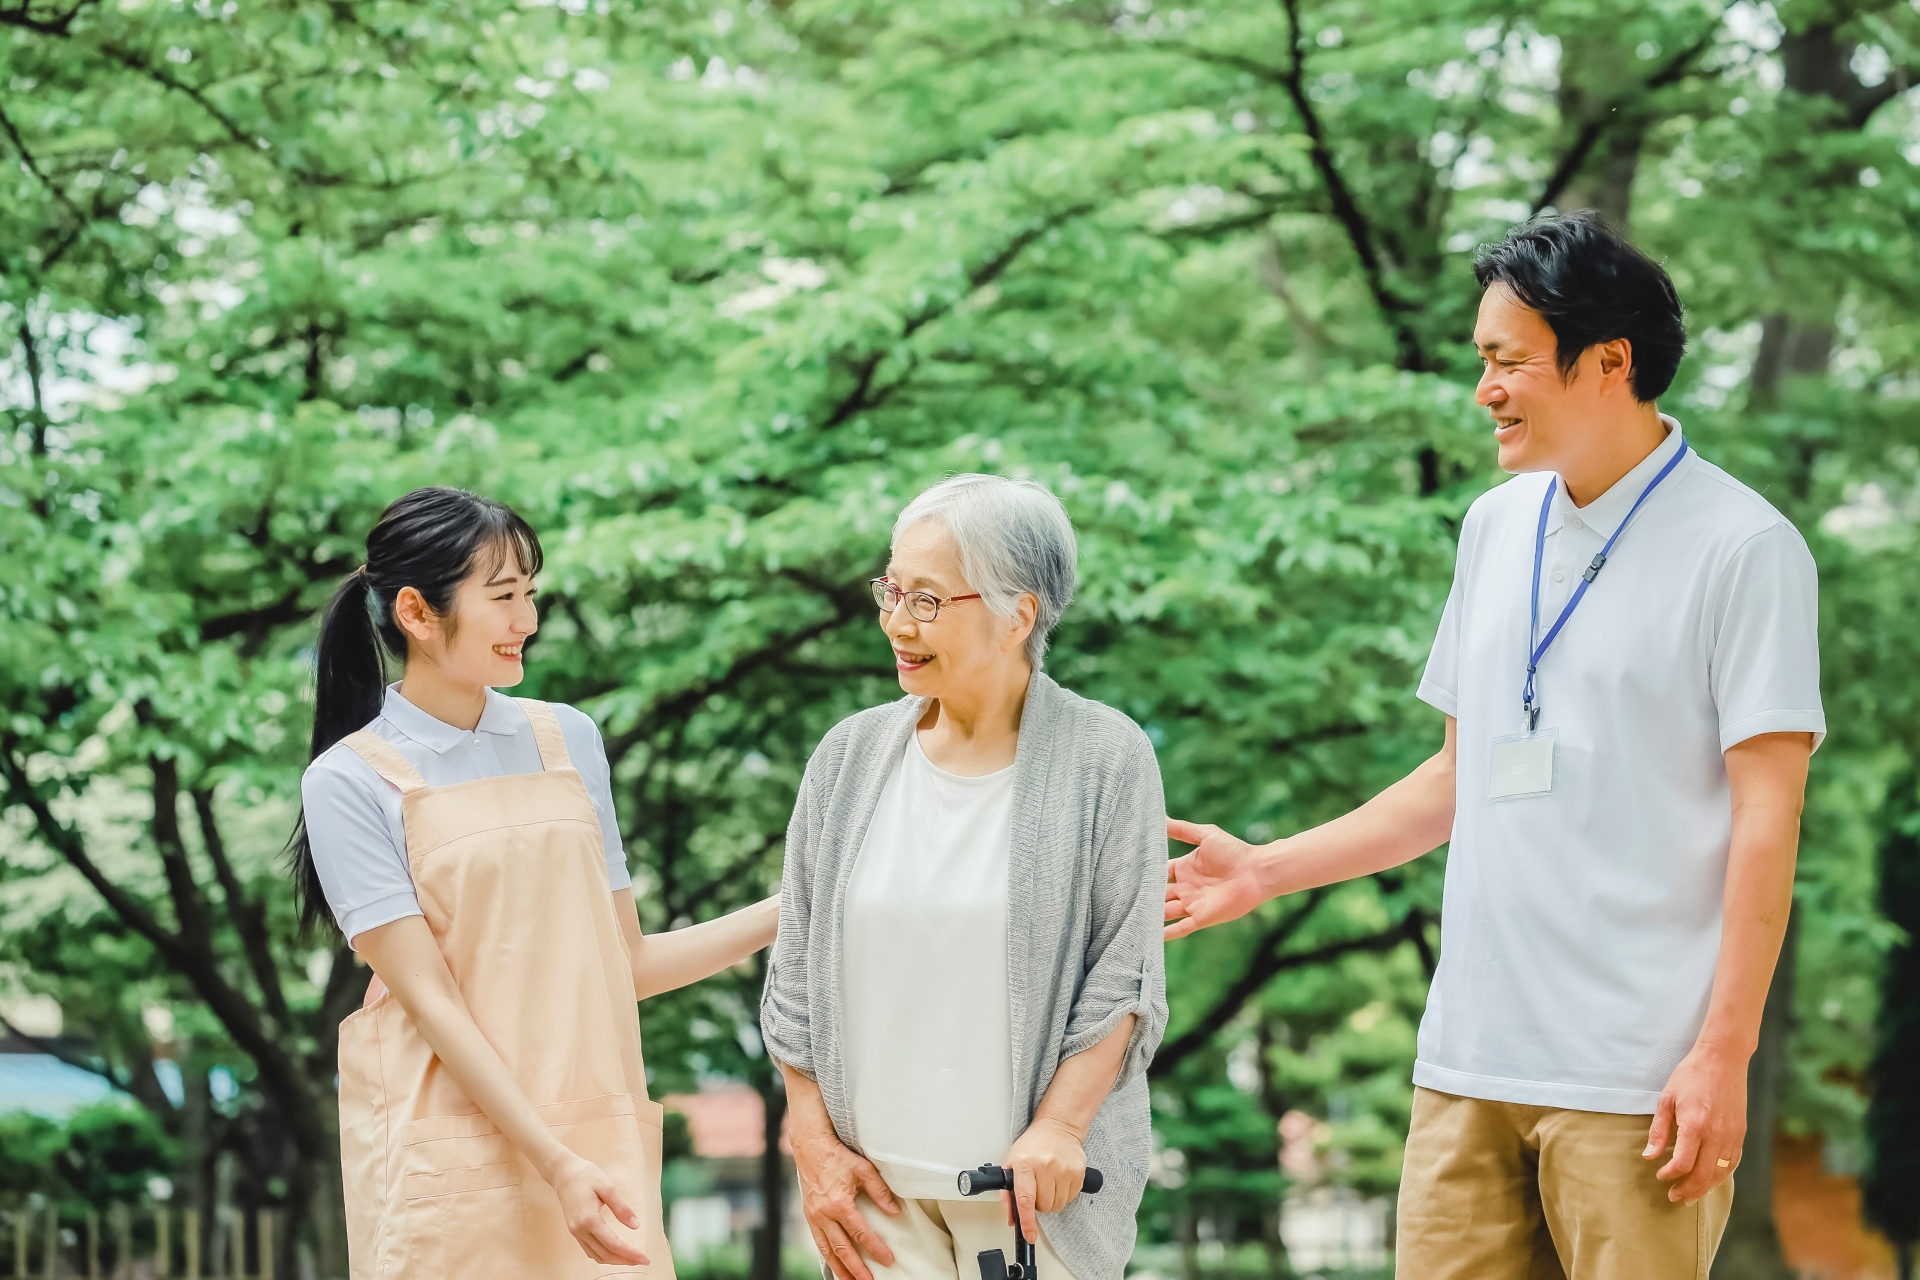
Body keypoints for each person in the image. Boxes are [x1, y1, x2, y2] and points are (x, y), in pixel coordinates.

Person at [1163, 213, 1825, 1279]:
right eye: (1484, 360)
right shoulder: (1493, 525)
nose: (1485, 389)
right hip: (1466, 1064)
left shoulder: (1744, 548)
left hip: (1636, 1081)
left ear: (1608, 361)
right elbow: (1457, 778)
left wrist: (1722, 1054)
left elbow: (1768, 818)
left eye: (1508, 360)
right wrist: (1265, 868)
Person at [291, 487, 778, 1279]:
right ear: (417, 612)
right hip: (451, 1146)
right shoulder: (348, 780)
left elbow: (631, 963)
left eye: (531, 595)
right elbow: (435, 1003)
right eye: (504, 596)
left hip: (593, 1138)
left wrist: (794, 908)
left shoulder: (569, 740)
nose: (528, 621)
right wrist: (554, 1163)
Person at [760, 474, 1168, 1280]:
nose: (896, 623)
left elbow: (1124, 975)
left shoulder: (1105, 757)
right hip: (876, 1201)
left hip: (1030, 1205)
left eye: (927, 601)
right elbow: (796, 965)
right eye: (892, 590)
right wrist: (809, 1141)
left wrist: (1059, 1128)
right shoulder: (847, 758)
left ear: (1019, 615)